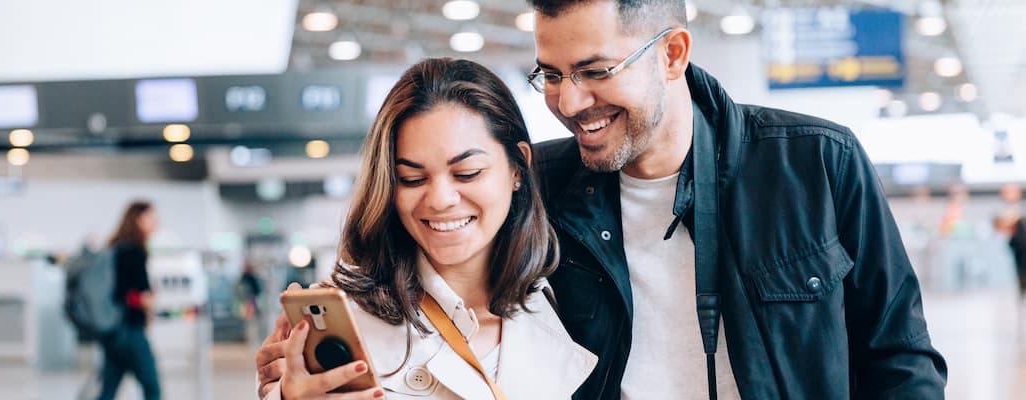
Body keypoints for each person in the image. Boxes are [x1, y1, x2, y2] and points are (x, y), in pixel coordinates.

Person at [262, 0, 947, 398]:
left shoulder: (814, 163)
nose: (569, 102)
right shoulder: (541, 186)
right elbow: (429, 271)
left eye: (595, 72)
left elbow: (900, 358)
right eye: (552, 74)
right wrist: (304, 360)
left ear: (672, 53)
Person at [263, 58, 596, 400]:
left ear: (518, 169)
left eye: (466, 172)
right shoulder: (346, 322)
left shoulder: (574, 308)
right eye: (413, 179)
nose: (439, 200)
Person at [99, 201, 162, 400]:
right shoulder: (135, 251)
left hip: (111, 330)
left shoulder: (115, 248)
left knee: (108, 389)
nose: (156, 222)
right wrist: (150, 304)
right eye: (151, 217)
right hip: (131, 329)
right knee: (152, 388)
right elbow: (140, 295)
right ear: (138, 219)